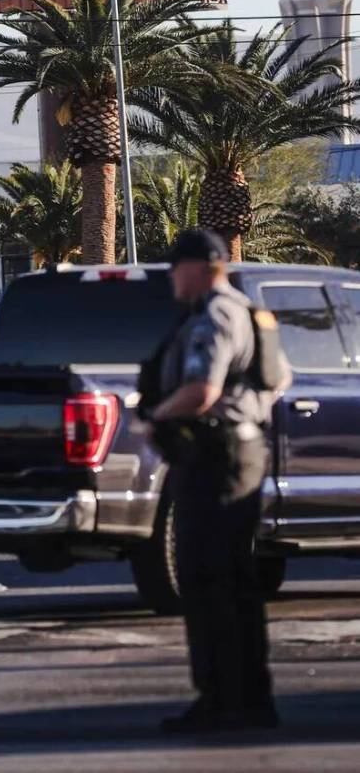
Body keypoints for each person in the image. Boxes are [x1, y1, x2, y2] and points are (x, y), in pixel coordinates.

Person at [146, 228, 291, 734]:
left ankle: (221, 701)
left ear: (204, 266)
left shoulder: (215, 313)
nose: (170, 276)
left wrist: (155, 418)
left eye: (175, 266)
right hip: (239, 449)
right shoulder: (247, 310)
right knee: (234, 580)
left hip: (216, 456)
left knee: (207, 579)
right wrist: (250, 412)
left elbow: (201, 391)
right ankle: (250, 700)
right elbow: (280, 377)